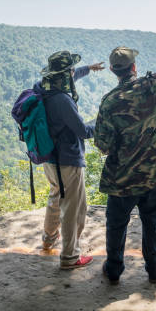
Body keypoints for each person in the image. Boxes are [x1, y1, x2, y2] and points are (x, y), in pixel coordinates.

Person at [94, 47, 156, 284]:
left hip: (121, 179)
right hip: (151, 174)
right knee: (152, 220)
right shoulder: (154, 87)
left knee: (116, 224)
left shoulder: (109, 103)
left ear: (115, 71)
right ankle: (155, 267)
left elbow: (102, 144)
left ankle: (114, 269)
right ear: (134, 67)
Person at [33, 50, 104, 269]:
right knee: (74, 209)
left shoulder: (42, 88)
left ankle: (48, 238)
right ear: (66, 74)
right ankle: (70, 257)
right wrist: (102, 124)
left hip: (49, 159)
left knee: (56, 198)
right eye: (72, 70)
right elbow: (82, 131)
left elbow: (70, 75)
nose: (74, 73)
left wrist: (88, 69)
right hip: (68, 161)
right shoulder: (63, 100)